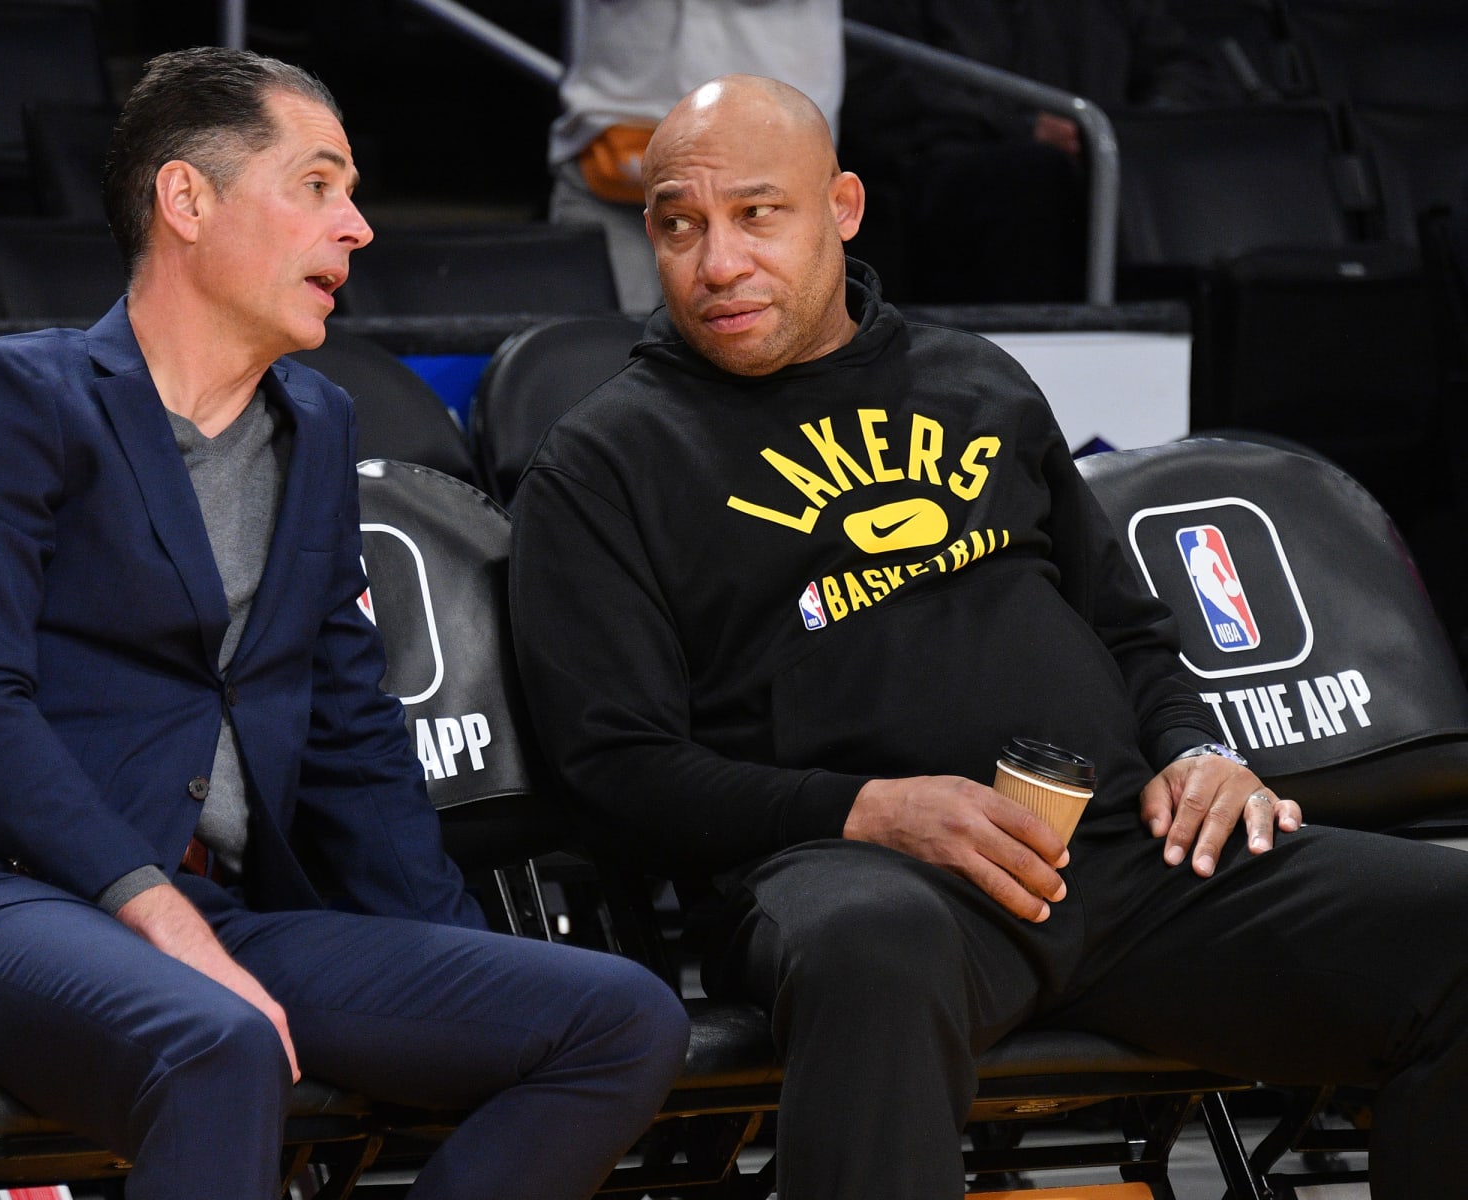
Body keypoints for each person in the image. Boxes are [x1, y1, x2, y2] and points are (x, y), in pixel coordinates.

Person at [510, 73, 1468, 1197]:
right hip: (860, 879)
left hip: (1124, 860)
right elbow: (613, 774)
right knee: (871, 949)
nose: (717, 263)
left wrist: (1194, 750)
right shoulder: (604, 462)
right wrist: (867, 810)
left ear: (844, 207)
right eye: (680, 225)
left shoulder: (978, 382)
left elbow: (1131, 628)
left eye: (757, 214)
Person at [0, 47, 687, 1199]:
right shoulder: (6, 397)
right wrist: (161, 917)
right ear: (187, 199)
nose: (357, 227)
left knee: (616, 1019)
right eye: (318, 185)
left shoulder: (316, 424)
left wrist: (460, 964)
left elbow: (353, 743)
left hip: (215, 911)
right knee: (214, 1040)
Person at [841, 0, 1224, 301]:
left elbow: (1183, 67)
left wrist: (1130, 130)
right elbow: (881, 83)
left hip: (1108, 168)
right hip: (954, 174)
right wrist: (1023, 124)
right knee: (1029, 179)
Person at [549, 0, 843, 313]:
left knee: (777, 342)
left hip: (782, 151)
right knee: (590, 351)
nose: (719, 269)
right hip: (606, 157)